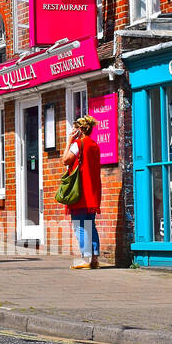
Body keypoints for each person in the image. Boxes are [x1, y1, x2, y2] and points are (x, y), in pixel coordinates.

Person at [64, 115, 103, 269]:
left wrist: (68, 142)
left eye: (75, 128)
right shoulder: (95, 145)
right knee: (90, 224)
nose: (73, 131)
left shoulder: (77, 144)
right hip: (92, 189)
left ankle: (85, 259)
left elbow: (65, 160)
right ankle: (94, 258)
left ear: (80, 130)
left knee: (80, 225)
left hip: (79, 190)